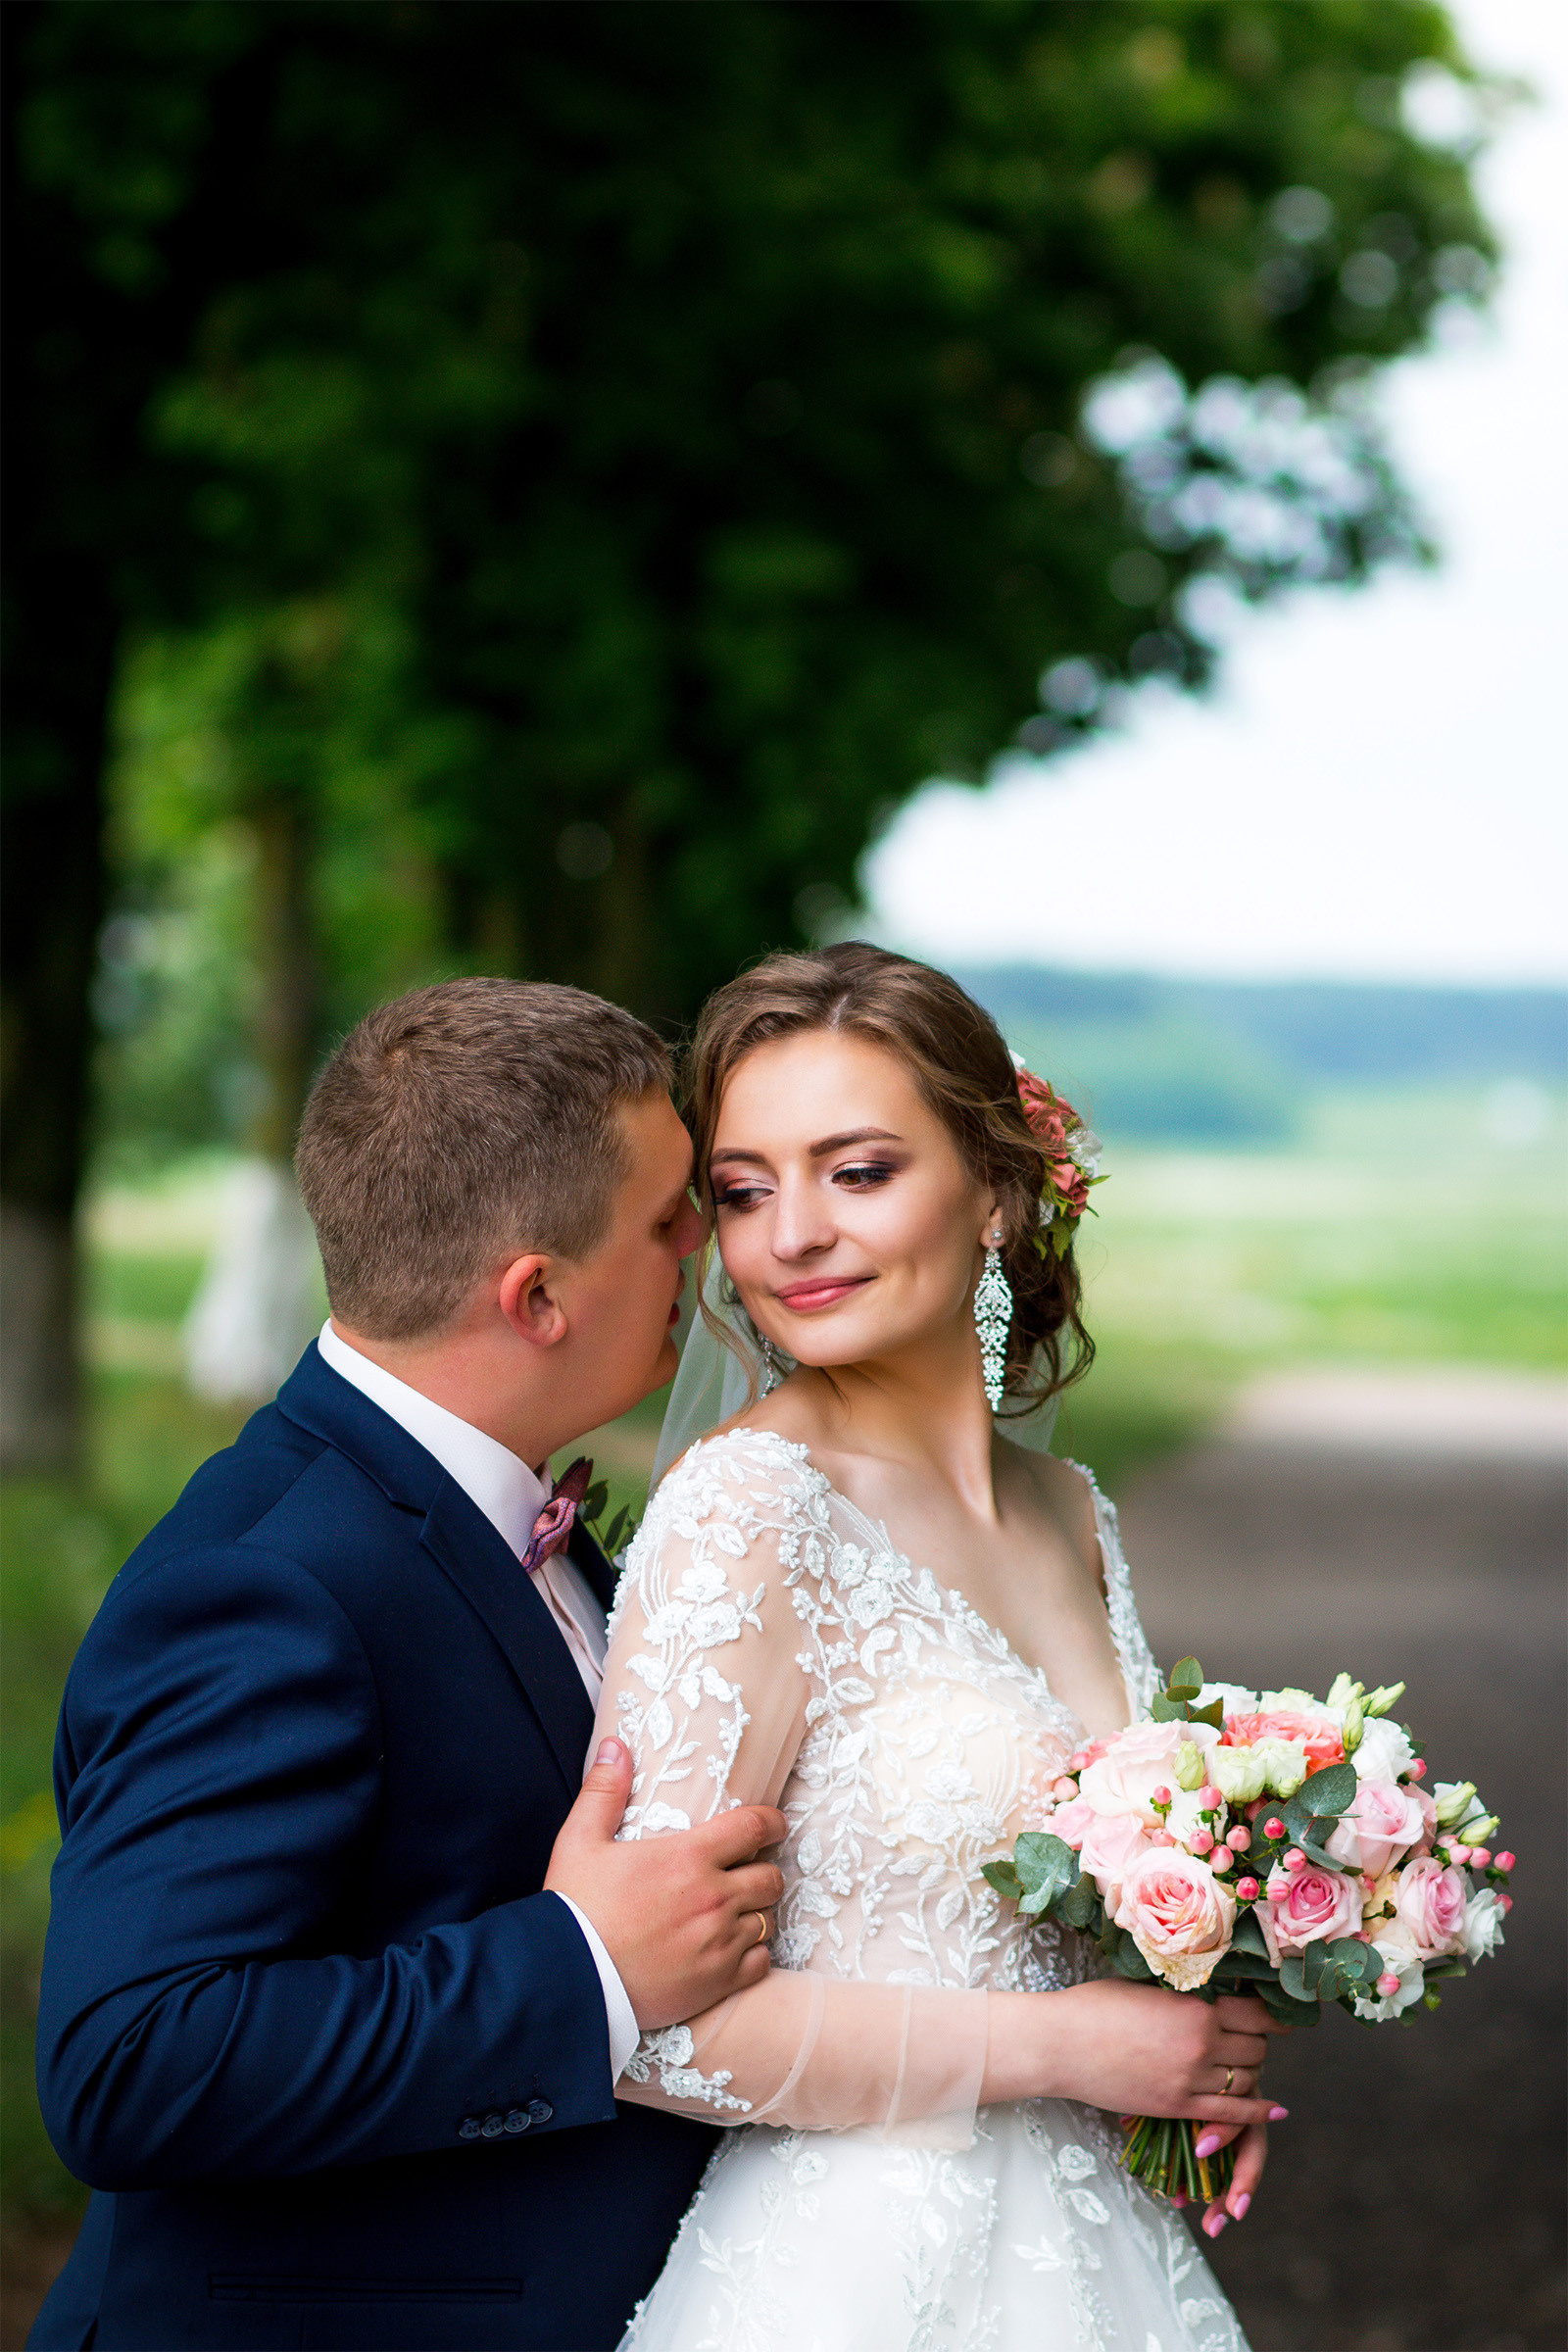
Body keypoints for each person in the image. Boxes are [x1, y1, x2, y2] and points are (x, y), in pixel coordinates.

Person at [29, 979, 792, 2352]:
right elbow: (132, 2062)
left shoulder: (497, 1508)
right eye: (666, 1218)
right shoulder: (266, 1584)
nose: (709, 1245)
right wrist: (583, 1966)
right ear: (537, 1295)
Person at [596, 944, 1285, 2352]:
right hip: (852, 2278)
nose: (791, 1235)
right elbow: (650, 2028)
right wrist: (1071, 2047)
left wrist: (1198, 2041)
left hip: (1103, 2261)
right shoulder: (747, 1511)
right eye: (744, 1190)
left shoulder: (1072, 1510)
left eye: (857, 1172)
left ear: (998, 1192)